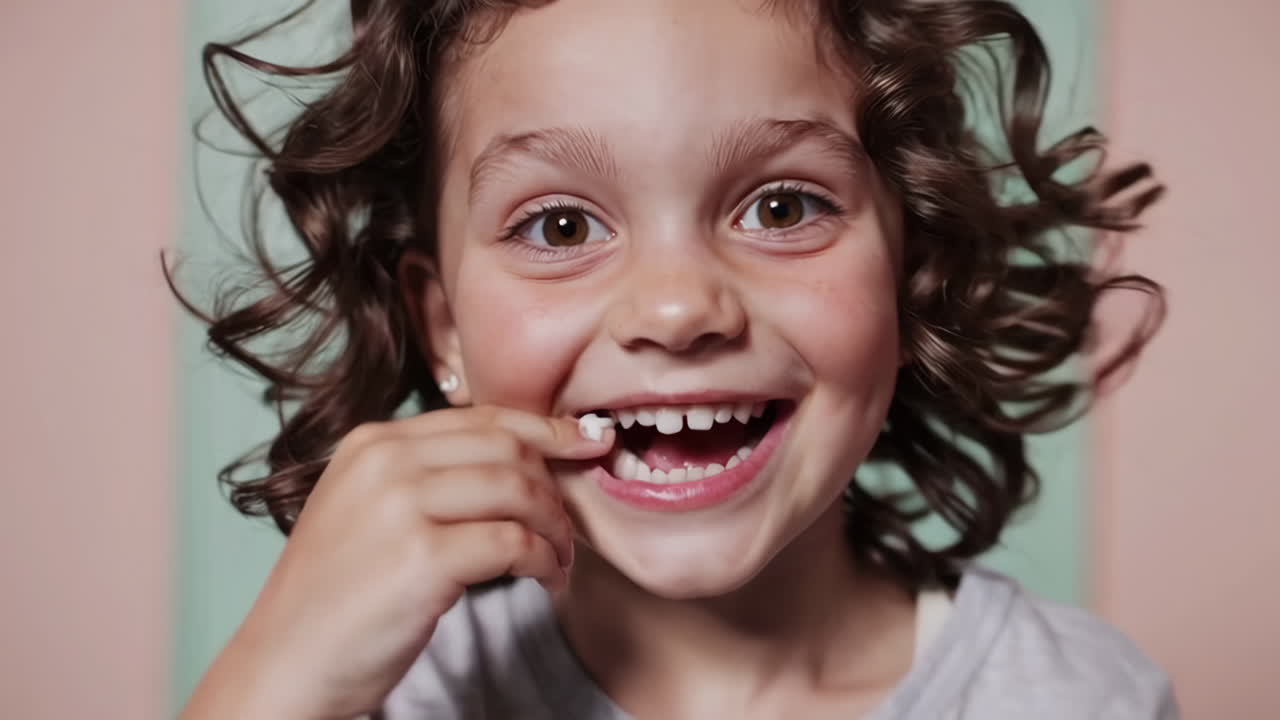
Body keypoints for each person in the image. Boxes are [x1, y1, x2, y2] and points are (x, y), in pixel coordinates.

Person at [171, 0, 1175, 717]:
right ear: (442, 330)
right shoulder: (394, 695)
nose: (676, 306)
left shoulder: (1080, 700)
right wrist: (268, 686)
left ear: (905, 271)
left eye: (781, 208)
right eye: (559, 226)